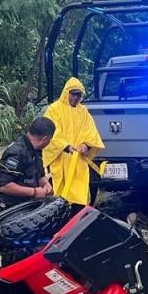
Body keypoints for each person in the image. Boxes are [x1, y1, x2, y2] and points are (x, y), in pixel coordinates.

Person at [43, 77, 105, 207]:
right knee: (59, 193)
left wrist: (85, 145)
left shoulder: (83, 111)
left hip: (78, 161)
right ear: (66, 92)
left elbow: (90, 131)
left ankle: (78, 218)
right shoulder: (53, 110)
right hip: (60, 159)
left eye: (78, 94)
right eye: (73, 93)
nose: (75, 97)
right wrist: (65, 146)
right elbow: (51, 132)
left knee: (80, 194)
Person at [0, 116, 56, 219]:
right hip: (8, 210)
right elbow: (4, 186)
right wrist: (34, 192)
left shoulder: (37, 150)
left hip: (27, 207)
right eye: (50, 140)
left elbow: (40, 174)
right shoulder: (16, 152)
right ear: (45, 139)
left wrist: (46, 184)